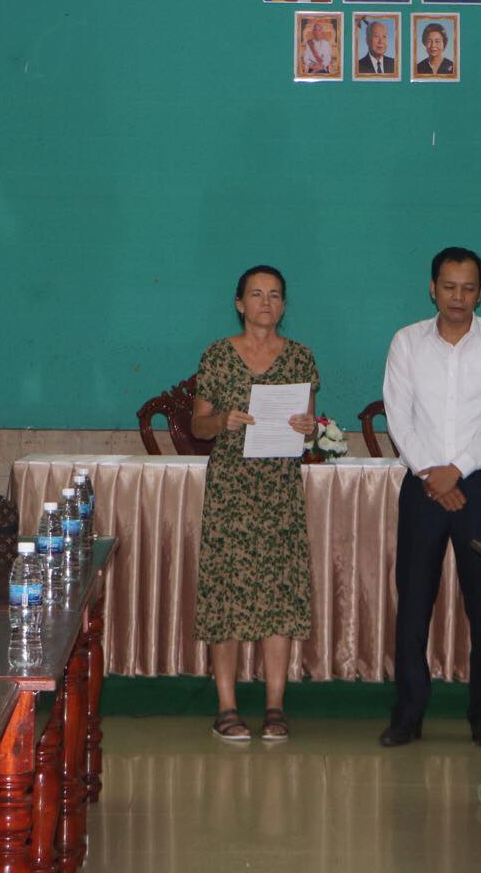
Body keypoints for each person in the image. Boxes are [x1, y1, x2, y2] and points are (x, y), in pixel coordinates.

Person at [378, 247, 481, 748]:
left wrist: (455, 470)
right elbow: (398, 415)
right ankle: (407, 715)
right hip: (422, 484)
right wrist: (432, 473)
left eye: (467, 288)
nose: (457, 297)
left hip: (480, 484)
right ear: (432, 288)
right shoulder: (406, 342)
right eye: (448, 286)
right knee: (414, 601)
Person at [190, 265, 319, 744]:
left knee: (278, 594)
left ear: (284, 305)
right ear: (240, 303)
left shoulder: (301, 357)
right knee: (225, 594)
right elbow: (197, 426)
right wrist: (221, 419)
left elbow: (308, 427)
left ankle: (275, 706)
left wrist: (307, 428)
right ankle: (226, 707)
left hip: (279, 491)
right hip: (231, 492)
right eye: (257, 294)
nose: (267, 303)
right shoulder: (218, 355)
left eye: (275, 295)